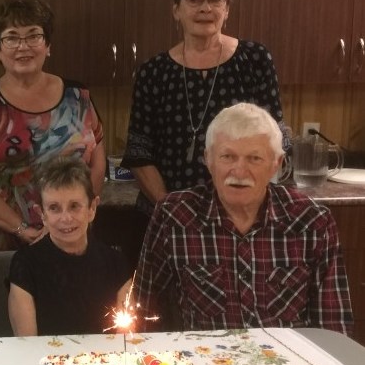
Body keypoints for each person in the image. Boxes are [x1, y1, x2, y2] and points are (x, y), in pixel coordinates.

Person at [125, 103, 353, 335]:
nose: (239, 171)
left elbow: (333, 327)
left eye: (254, 158)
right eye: (227, 156)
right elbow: (143, 312)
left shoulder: (312, 221)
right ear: (208, 160)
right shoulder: (174, 216)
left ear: (277, 163)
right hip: (203, 363)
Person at [122, 0, 289, 219]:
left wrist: (243, 204)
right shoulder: (153, 72)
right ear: (176, 9)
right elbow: (139, 153)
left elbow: (274, 142)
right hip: (166, 213)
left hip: (240, 214)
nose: (206, 8)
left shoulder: (255, 61)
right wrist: (171, 209)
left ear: (227, 9)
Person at [0, 0, 106, 252]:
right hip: (3, 245)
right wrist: (23, 229)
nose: (23, 46)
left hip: (69, 238)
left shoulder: (78, 97)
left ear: (47, 45)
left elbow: (97, 164)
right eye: (11, 37)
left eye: (33, 35)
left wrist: (73, 219)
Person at [8, 157, 131, 336]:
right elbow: (27, 345)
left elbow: (124, 343)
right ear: (42, 214)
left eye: (74, 206)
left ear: (92, 209)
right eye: (54, 208)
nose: (66, 218)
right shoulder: (25, 266)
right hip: (45, 361)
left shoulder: (116, 264)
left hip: (103, 362)